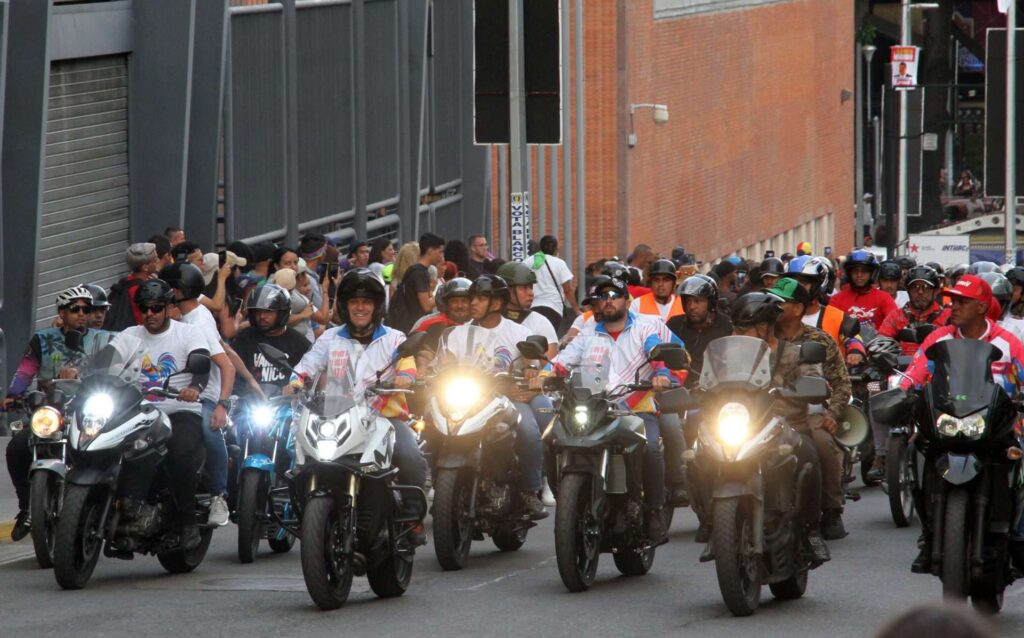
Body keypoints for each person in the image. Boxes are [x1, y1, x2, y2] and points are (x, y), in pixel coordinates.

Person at [534, 275, 686, 541]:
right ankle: (568, 499)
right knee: (551, 437)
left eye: (614, 295)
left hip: (635, 407)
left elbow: (658, 352)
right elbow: (562, 362)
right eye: (602, 297)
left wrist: (661, 375)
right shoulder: (588, 334)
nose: (608, 301)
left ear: (627, 300)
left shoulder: (646, 326)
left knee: (650, 448)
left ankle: (654, 511)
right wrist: (543, 374)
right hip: (594, 407)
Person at [287, 269, 429, 539]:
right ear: (345, 305)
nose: (360, 307)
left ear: (377, 307)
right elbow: (306, 366)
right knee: (298, 454)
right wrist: (295, 381)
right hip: (337, 416)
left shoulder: (395, 339)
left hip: (384, 418)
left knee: (410, 455)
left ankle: (413, 516)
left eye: (366, 302)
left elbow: (407, 365)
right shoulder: (330, 338)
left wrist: (405, 377)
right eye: (354, 302)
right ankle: (301, 510)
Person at [899, 275, 1024, 572]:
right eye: (952, 300)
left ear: (981, 307)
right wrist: (901, 391)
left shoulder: (1008, 342)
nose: (953, 306)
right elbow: (914, 374)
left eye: (961, 302)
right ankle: (929, 536)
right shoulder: (938, 339)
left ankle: (1018, 537)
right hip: (948, 423)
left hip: (998, 427)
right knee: (916, 450)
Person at [702, 292, 832, 564]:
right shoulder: (729, 356)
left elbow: (813, 380)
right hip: (741, 423)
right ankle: (714, 525)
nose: (741, 333)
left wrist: (803, 389)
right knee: (698, 454)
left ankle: (811, 530)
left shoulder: (794, 353)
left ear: (766, 326)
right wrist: (697, 390)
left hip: (785, 424)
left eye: (747, 327)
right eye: (737, 328)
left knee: (809, 453)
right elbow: (708, 380)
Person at [3, 286, 115, 540]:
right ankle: (26, 507)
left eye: (87, 309)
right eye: (75, 309)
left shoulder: (104, 340)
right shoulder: (43, 339)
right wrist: (12, 395)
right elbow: (25, 371)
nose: (82, 314)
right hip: (50, 411)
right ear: (61, 313)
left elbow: (119, 369)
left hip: (89, 412)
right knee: (17, 448)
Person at [442, 274, 548, 519]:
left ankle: (529, 492)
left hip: (506, 400)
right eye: (472, 298)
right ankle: (445, 487)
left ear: (497, 303)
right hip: (466, 400)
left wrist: (530, 375)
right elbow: (444, 364)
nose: (472, 304)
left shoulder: (518, 332)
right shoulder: (456, 334)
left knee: (528, 431)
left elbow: (533, 367)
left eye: (480, 298)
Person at [117, 279, 213, 549]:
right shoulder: (129, 335)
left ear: (169, 307)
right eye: (145, 308)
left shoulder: (188, 333)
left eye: (157, 308)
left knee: (180, 455)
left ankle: (186, 522)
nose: (150, 314)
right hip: (136, 413)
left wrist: (194, 388)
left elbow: (202, 366)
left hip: (179, 411)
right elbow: (107, 362)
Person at [767, 278, 853, 540]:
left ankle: (831, 510)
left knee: (823, 442)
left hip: (809, 411)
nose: (774, 307)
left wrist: (831, 414)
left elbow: (842, 384)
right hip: (765, 411)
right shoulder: (764, 335)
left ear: (798, 308)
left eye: (780, 303)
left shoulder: (820, 340)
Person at [160, 263, 236, 526]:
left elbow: (226, 364)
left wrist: (221, 405)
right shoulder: (185, 315)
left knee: (209, 427)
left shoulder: (198, 322)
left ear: (179, 291)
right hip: (171, 394)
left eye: (168, 288)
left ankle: (219, 495)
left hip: (204, 396)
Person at [231, 283, 311, 394]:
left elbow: (308, 371)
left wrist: (294, 386)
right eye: (258, 311)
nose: (262, 316)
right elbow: (233, 370)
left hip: (284, 405)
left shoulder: (299, 343)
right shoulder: (245, 338)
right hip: (249, 403)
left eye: (268, 311)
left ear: (282, 313)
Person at [784, 256, 864, 363]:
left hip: (829, 376)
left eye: (803, 283)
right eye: (792, 283)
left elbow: (854, 338)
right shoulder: (779, 315)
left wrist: (855, 351)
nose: (797, 288)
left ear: (818, 285)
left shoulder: (837, 317)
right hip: (785, 377)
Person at [667, 275, 732, 390]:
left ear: (711, 303)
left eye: (698, 301)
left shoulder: (727, 326)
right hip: (679, 391)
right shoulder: (675, 325)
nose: (691, 306)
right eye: (688, 301)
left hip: (718, 392)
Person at [878, 265, 950, 356]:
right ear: (908, 290)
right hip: (902, 368)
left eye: (926, 287)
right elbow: (881, 341)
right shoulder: (896, 315)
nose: (920, 292)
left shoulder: (947, 316)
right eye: (915, 287)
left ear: (935, 291)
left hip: (937, 367)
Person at [496, 262, 559, 358]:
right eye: (524, 288)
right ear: (507, 290)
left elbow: (549, 366)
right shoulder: (491, 320)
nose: (531, 293)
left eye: (531, 287)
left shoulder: (540, 322)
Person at [388, 233, 445, 333]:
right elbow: (426, 306)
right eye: (439, 252)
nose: (441, 256)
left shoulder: (414, 270)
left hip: (404, 327)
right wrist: (443, 296)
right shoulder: (420, 273)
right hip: (411, 329)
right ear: (430, 251)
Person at [523, 235, 581, 335]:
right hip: (553, 308)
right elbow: (568, 290)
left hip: (531, 308)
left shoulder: (527, 262)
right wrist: (577, 311)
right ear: (555, 249)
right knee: (549, 340)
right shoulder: (559, 263)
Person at [829, 249, 898, 331]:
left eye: (864, 271)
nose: (859, 275)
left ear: (872, 273)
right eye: (855, 271)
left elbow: (896, 325)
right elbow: (831, 329)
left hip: (877, 342)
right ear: (849, 273)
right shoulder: (836, 300)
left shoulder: (884, 298)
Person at [104, 242, 160, 330]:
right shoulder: (140, 290)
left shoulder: (126, 282)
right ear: (145, 267)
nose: (159, 261)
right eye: (155, 259)